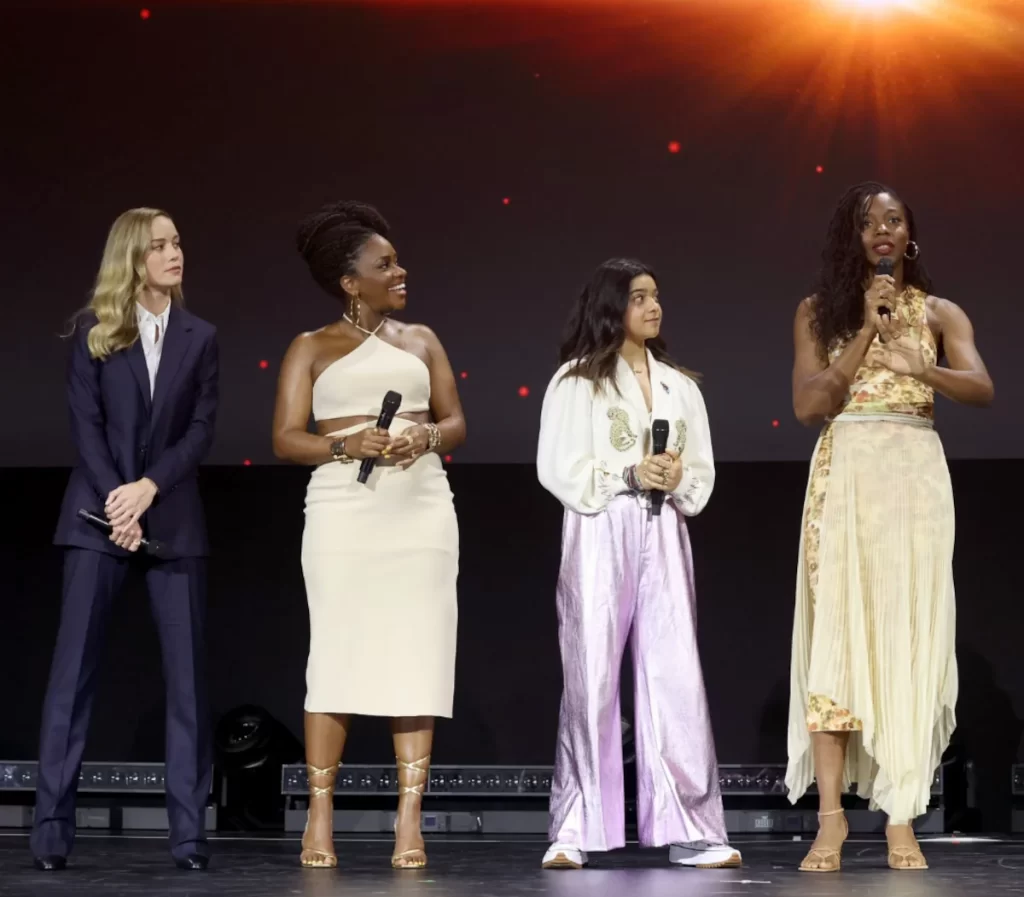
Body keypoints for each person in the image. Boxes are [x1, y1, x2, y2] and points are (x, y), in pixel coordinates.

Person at [786, 182, 994, 872]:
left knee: (907, 637)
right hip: (845, 473)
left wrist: (922, 365)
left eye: (894, 218)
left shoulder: (939, 311)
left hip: (913, 477)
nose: (882, 228)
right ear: (852, 238)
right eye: (868, 220)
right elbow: (809, 403)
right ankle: (831, 821)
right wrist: (869, 333)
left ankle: (902, 815)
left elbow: (983, 388)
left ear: (909, 236)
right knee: (838, 641)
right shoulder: (819, 312)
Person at [272, 201, 465, 870]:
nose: (400, 270)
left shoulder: (422, 340)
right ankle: (319, 816)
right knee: (337, 656)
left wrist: (425, 435)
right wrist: (346, 442)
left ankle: (408, 821)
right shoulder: (310, 346)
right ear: (351, 281)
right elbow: (285, 437)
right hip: (343, 513)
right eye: (384, 265)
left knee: (418, 655)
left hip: (420, 510)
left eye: (397, 260)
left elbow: (457, 423)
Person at [535, 258, 742, 871]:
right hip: (602, 524)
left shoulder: (681, 386)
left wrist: (676, 477)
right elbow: (558, 465)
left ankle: (693, 828)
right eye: (639, 298)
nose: (654, 307)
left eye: (656, 296)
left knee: (674, 674)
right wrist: (626, 472)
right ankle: (573, 827)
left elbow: (700, 471)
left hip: (665, 526)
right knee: (592, 671)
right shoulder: (575, 381)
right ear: (610, 307)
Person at [32, 208, 219, 872]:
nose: (175, 253)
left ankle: (189, 837)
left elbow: (200, 429)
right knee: (71, 678)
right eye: (160, 245)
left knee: (188, 686)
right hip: (96, 520)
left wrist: (149, 490)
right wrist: (120, 498)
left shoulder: (201, 335)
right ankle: (52, 831)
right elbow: (85, 426)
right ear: (133, 257)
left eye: (177, 241)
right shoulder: (91, 331)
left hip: (171, 520)